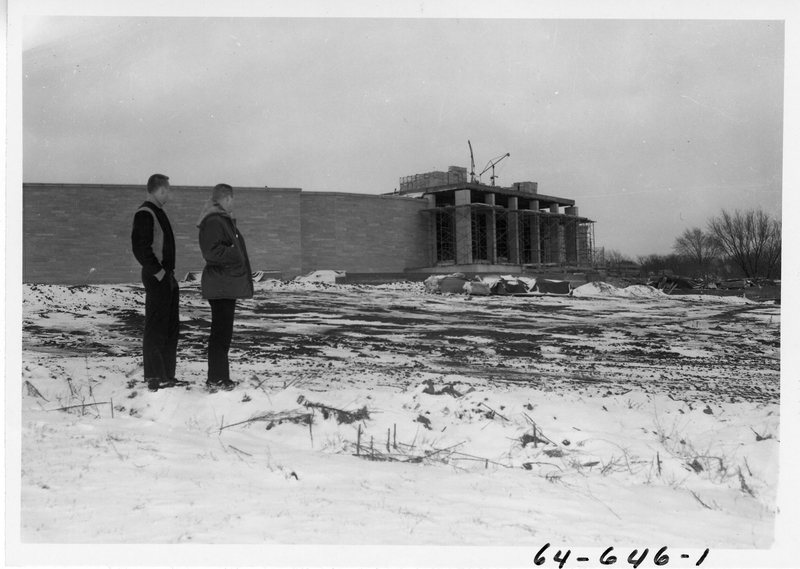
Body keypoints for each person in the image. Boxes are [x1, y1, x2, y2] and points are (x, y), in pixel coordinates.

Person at [197, 183, 253, 391]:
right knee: (220, 333)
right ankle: (216, 379)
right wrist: (235, 253)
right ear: (227, 198)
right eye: (232, 199)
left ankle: (220, 377)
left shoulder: (220, 220)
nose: (234, 203)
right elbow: (211, 252)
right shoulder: (214, 221)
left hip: (224, 284)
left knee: (223, 333)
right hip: (221, 285)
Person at [131, 173, 180, 392]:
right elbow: (141, 249)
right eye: (167, 190)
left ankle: (166, 374)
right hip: (157, 276)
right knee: (155, 329)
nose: (169, 194)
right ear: (160, 190)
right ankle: (154, 376)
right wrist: (159, 273)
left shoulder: (158, 212)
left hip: (166, 276)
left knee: (169, 328)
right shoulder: (145, 213)